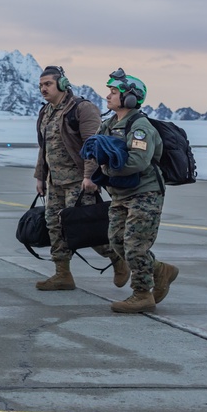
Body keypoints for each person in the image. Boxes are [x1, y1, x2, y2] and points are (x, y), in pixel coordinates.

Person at [33, 66, 129, 290]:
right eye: (40, 85)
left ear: (63, 84)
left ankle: (117, 258)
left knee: (86, 229)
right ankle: (62, 275)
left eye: (47, 84)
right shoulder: (46, 111)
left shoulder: (81, 109)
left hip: (79, 182)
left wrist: (90, 176)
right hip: (54, 182)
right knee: (55, 227)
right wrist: (40, 176)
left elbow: (93, 145)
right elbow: (43, 147)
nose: (43, 89)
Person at [95, 68, 178, 313]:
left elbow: (138, 162)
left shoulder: (140, 127)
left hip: (145, 194)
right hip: (121, 194)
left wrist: (107, 169)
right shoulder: (109, 124)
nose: (108, 96)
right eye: (109, 91)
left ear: (130, 98)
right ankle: (161, 270)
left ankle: (142, 295)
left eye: (114, 92)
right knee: (117, 241)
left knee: (134, 245)